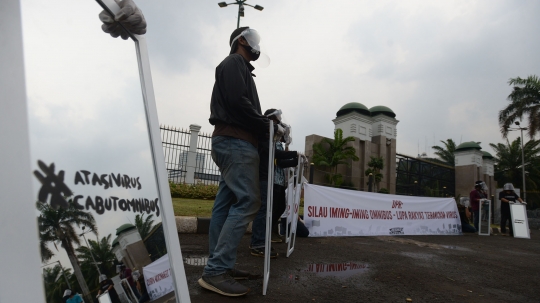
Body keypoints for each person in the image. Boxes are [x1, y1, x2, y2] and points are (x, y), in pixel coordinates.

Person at [199, 26, 282, 297]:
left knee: (224, 205)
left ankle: (219, 265)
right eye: (253, 39)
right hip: (236, 142)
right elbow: (238, 103)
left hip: (230, 141)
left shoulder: (241, 68)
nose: (257, 44)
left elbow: (240, 104)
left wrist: (263, 124)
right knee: (248, 201)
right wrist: (267, 125)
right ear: (242, 40)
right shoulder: (234, 62)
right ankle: (215, 270)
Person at [250, 109, 299, 258]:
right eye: (277, 120)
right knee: (264, 209)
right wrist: (294, 154)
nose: (280, 124)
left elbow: (279, 159)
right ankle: (258, 243)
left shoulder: (270, 138)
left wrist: (296, 159)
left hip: (272, 178)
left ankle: (261, 241)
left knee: (269, 209)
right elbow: (276, 156)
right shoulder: (265, 137)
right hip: (266, 177)